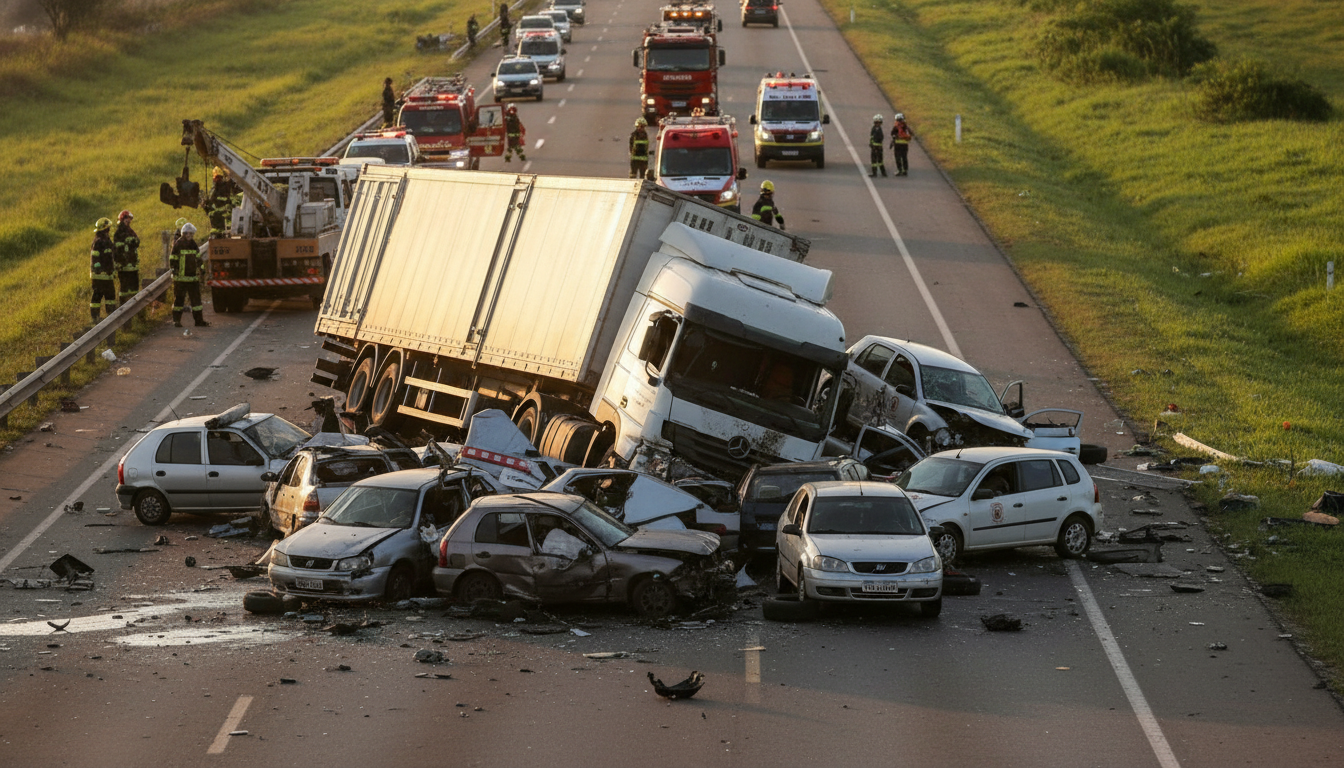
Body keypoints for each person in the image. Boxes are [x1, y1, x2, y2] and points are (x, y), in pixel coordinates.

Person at [169, 222, 209, 328]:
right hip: (180, 278)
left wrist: (201, 269)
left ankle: (199, 321)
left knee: (196, 302)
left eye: (191, 234)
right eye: (188, 234)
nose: (190, 236)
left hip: (192, 278)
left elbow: (198, 258)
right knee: (179, 300)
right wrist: (174, 270)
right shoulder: (178, 244)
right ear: (184, 234)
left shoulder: (193, 244)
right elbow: (173, 259)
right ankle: (176, 321)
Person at [88, 218, 117, 322]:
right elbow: (96, 258)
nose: (109, 231)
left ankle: (111, 316)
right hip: (100, 276)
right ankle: (96, 318)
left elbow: (112, 255)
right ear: (104, 230)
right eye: (108, 229)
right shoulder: (98, 242)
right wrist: (101, 269)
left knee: (110, 296)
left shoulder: (106, 241)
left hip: (106, 275)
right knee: (98, 296)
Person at [112, 210, 140, 307]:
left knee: (134, 288)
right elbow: (117, 249)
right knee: (124, 289)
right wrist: (127, 242)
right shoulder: (118, 232)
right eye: (127, 219)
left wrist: (133, 241)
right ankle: (123, 308)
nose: (129, 221)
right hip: (123, 266)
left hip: (132, 265)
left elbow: (137, 241)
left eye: (130, 219)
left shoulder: (130, 231)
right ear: (122, 219)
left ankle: (135, 308)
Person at [205, 168, 241, 238]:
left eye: (219, 177)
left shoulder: (226, 185)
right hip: (220, 218)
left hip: (226, 217)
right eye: (216, 178)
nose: (217, 179)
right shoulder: (215, 189)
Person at [891, 112, 912, 177]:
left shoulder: (896, 126)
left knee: (898, 157)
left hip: (898, 144)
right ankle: (905, 170)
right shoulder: (906, 127)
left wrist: (893, 141)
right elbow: (911, 133)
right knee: (904, 157)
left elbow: (892, 134)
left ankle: (899, 170)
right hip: (905, 145)